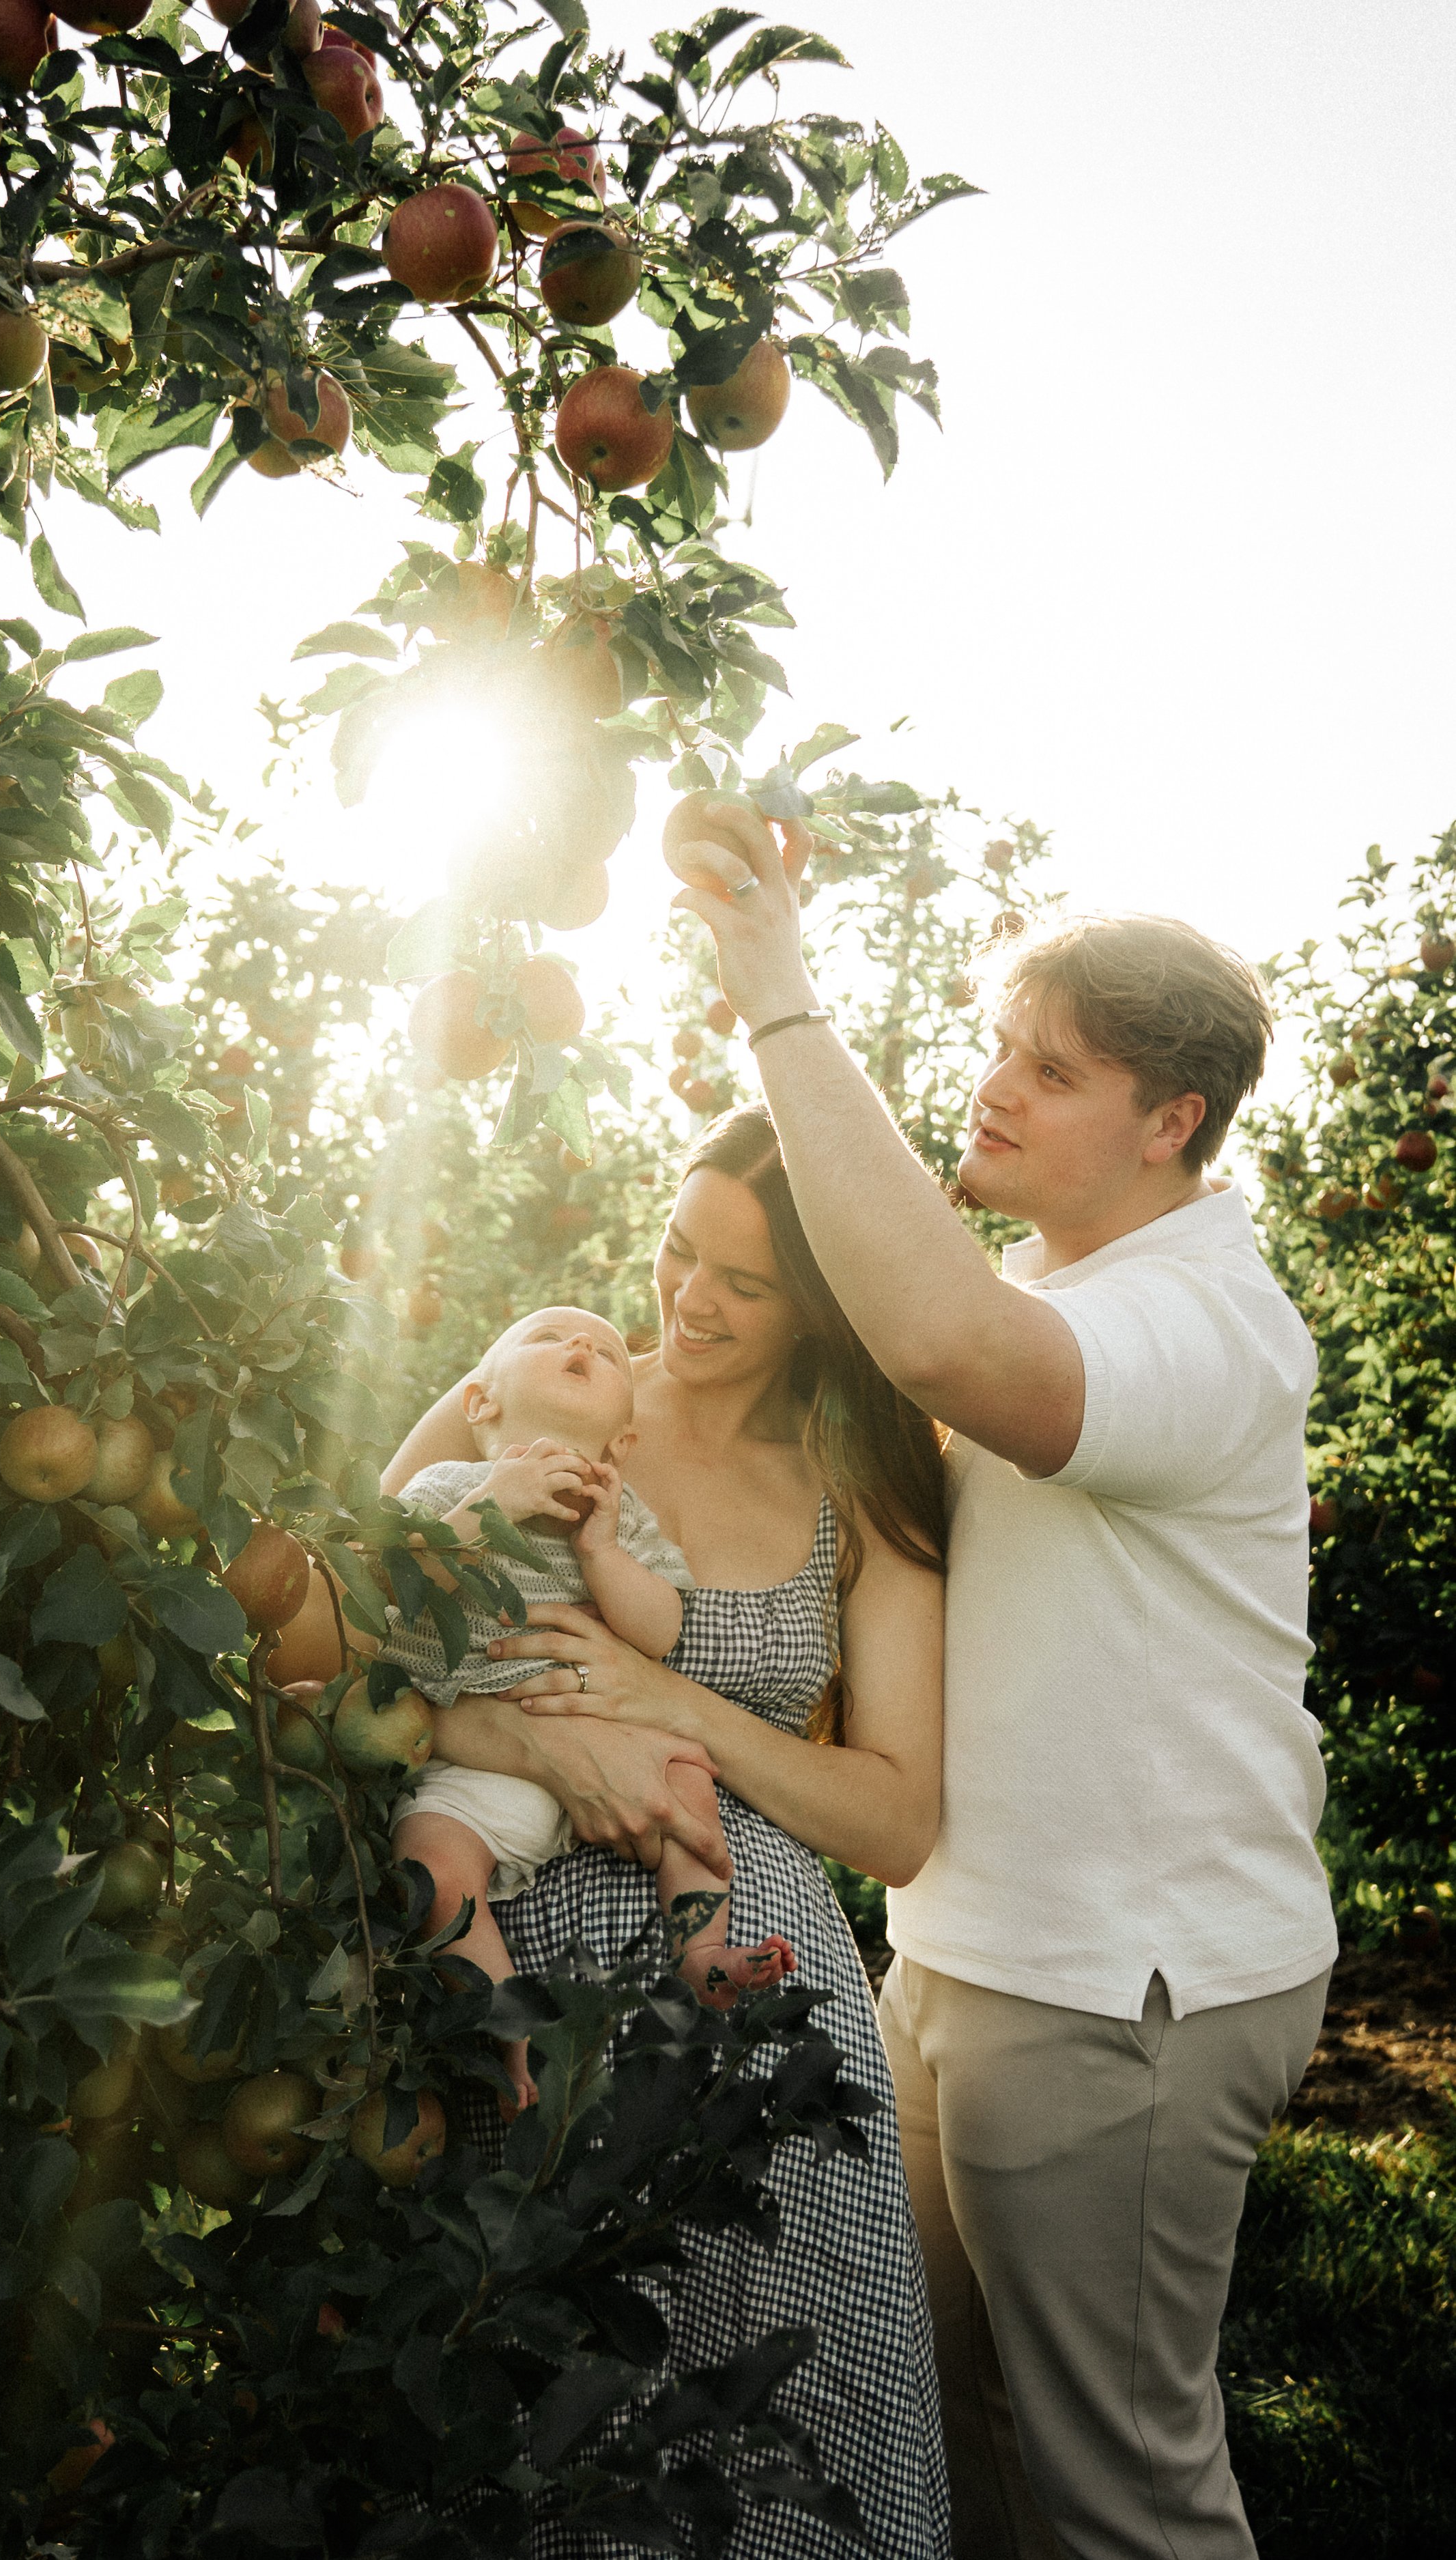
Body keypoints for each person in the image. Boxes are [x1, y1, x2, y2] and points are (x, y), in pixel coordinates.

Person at [668, 815, 1337, 2560]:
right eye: (996, 1048)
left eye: (1052, 1067)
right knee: (941, 2426)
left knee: (1122, 2486)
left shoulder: (1203, 1319)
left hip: (1127, 1986)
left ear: (1170, 1119)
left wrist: (780, 1002)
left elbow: (946, 1342)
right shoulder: (1059, 1280)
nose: (996, 1089)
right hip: (970, 1950)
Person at [384, 1105, 952, 2559]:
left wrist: (664, 1703)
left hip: (753, 1979)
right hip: (521, 1960)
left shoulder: (864, 1490)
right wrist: (527, 1741)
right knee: (548, 2417)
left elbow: (892, 1819)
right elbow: (323, 1665)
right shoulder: (532, 1396)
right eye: (677, 1249)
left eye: (742, 1283)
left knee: (789, 2409)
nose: (686, 1301)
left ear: (819, 1309)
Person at [383, 1304, 796, 2108]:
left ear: (619, 1445)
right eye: (546, 1338)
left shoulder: (618, 1515)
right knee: (430, 1870)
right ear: (481, 1404)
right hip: (479, 1764)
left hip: (611, 1751)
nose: (580, 1345)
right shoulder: (450, 1487)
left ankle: (702, 1951)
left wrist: (602, 1551)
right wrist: (497, 1501)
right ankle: (507, 2019)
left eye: (606, 1353)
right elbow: (402, 1581)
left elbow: (660, 1630)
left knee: (688, 1789)